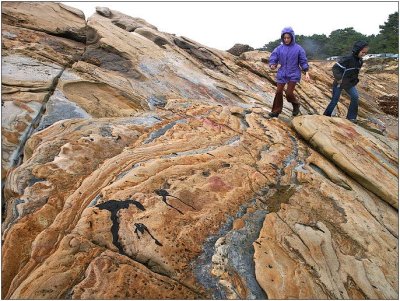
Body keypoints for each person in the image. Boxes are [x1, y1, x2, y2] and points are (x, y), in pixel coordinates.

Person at [268, 27, 310, 118]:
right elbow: (273, 58)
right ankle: (276, 111)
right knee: (278, 92)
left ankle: (296, 104)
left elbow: (303, 61)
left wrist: (306, 72)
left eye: (288, 38)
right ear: (282, 38)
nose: (286, 39)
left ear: (292, 37)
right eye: (284, 38)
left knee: (289, 93)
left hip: (294, 73)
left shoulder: (298, 49)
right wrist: (272, 64)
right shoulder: (279, 48)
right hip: (282, 72)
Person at [323, 41, 369, 123]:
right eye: (362, 52)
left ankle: (351, 118)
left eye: (365, 53)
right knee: (335, 100)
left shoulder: (360, 61)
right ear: (357, 50)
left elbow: (355, 73)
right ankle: (326, 116)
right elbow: (335, 68)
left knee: (355, 96)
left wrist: (354, 82)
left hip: (349, 84)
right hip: (339, 83)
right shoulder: (347, 59)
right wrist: (339, 78)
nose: (364, 54)